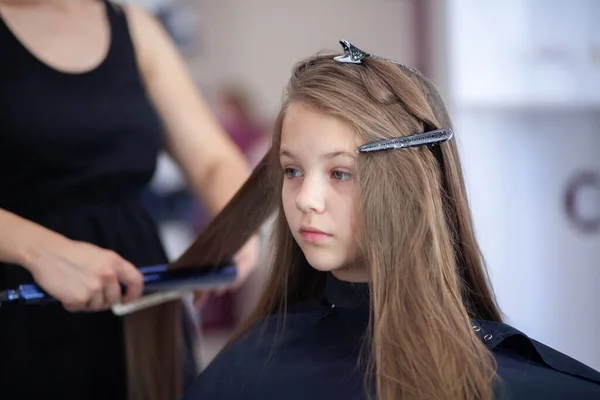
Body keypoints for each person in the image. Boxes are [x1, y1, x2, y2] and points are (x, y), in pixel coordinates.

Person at [178, 41, 600, 400]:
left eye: (340, 173)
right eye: (292, 171)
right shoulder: (247, 365)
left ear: (408, 188)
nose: (306, 199)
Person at [0, 1, 259, 399]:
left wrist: (237, 226)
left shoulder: (133, 27)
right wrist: (40, 252)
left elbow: (211, 160)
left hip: (142, 304)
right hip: (22, 301)